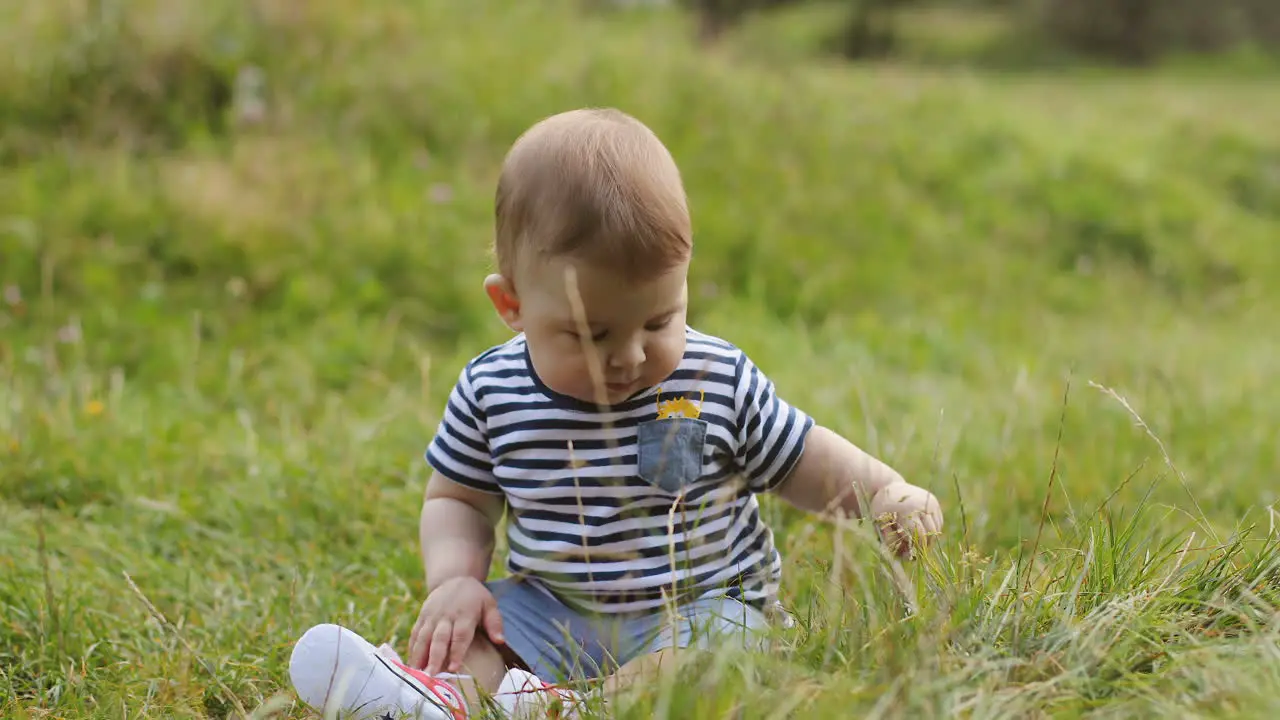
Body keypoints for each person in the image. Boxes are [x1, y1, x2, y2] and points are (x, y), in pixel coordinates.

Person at [288, 107, 943, 719]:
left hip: (697, 609)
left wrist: (886, 489)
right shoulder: (492, 390)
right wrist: (455, 581)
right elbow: (459, 500)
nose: (630, 356)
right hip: (553, 611)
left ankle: (565, 708)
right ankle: (435, 695)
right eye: (592, 334)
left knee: (716, 654)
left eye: (660, 321)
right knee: (470, 635)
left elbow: (802, 459)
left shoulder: (713, 377)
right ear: (511, 305)